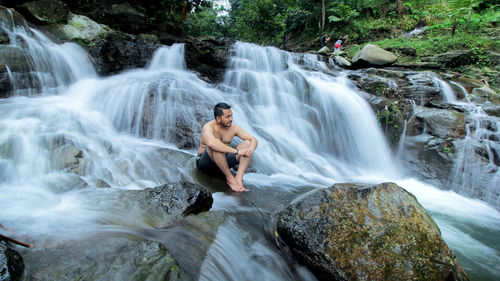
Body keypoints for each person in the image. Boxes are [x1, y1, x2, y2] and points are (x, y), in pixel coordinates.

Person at [196, 102, 258, 192]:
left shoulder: (233, 128)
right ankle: (230, 179)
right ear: (218, 118)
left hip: (223, 161)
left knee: (248, 143)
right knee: (217, 146)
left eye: (231, 116)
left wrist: (251, 148)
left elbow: (253, 139)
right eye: (228, 117)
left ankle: (238, 178)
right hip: (205, 163)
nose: (231, 119)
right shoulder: (208, 127)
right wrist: (237, 152)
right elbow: (211, 144)